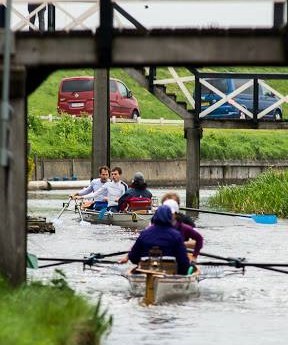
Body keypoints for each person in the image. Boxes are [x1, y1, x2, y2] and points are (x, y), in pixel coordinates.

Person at [119, 205, 190, 275]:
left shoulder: (144, 234)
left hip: (146, 272)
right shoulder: (176, 235)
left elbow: (133, 257)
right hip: (170, 273)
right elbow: (184, 262)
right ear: (171, 218)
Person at [161, 193, 204, 262]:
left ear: (177, 207)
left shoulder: (186, 221)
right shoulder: (155, 221)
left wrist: (180, 244)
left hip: (181, 254)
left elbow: (198, 241)